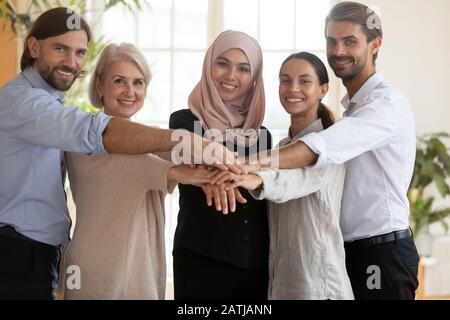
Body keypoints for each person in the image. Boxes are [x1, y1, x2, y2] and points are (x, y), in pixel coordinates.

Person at [0, 8, 236, 300]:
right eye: (61, 49)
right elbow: (109, 144)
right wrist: (185, 146)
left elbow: (162, 154)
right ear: (34, 47)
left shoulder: (53, 107)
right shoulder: (27, 104)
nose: (71, 62)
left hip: (46, 254)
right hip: (32, 254)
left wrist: (218, 167)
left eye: (79, 53)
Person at [240, 2, 419, 300]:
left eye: (350, 41)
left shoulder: (385, 105)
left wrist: (250, 165)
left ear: (375, 45)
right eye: (331, 41)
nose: (338, 50)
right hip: (352, 252)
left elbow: (318, 152)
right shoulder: (351, 110)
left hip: (380, 253)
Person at [62, 43, 212, 300]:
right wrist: (174, 170)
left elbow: (181, 153)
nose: (130, 92)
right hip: (99, 265)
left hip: (142, 261)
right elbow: (125, 165)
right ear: (99, 85)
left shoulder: (151, 139)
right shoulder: (82, 136)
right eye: (119, 81)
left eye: (138, 82)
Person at [213, 52, 354, 300]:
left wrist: (257, 179)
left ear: (323, 90)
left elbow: (297, 180)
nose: (293, 88)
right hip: (282, 285)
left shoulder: (330, 144)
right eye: (285, 80)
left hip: (319, 287)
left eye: (304, 81)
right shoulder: (280, 148)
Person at [169, 30, 271, 300]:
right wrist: (228, 174)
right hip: (200, 257)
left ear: (255, 78)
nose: (231, 76)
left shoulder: (263, 135)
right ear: (208, 64)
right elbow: (196, 158)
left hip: (254, 263)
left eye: (243, 68)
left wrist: (218, 173)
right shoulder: (184, 122)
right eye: (222, 63)